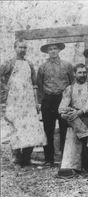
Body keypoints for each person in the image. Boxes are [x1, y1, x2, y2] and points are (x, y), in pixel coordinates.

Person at [0, 39, 47, 167]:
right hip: (13, 102)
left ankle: (27, 157)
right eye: (20, 47)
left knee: (31, 129)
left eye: (25, 48)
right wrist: (5, 94)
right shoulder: (8, 63)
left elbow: (34, 84)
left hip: (28, 102)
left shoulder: (30, 64)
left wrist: (37, 102)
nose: (22, 50)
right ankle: (17, 159)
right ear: (15, 48)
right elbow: (1, 79)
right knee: (15, 129)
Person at [37, 40, 74, 166]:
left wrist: (70, 101)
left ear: (59, 50)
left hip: (63, 99)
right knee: (48, 129)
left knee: (64, 128)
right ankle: (49, 158)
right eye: (50, 49)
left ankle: (64, 157)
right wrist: (41, 102)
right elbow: (40, 85)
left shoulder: (67, 65)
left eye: (55, 48)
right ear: (47, 52)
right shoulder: (42, 67)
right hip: (48, 100)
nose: (53, 51)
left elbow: (72, 83)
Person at [57, 63, 88, 178]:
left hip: (86, 115)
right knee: (64, 114)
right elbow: (61, 107)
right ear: (74, 74)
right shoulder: (69, 88)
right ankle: (87, 137)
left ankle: (84, 165)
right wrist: (69, 110)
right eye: (80, 72)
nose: (82, 75)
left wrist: (78, 112)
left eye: (84, 72)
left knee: (77, 123)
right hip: (73, 115)